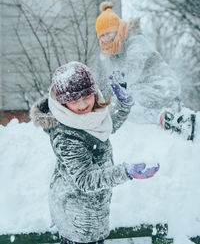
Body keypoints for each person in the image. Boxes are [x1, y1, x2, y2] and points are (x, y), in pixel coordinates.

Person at [30, 61, 159, 244]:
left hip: (92, 208)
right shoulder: (66, 134)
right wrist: (126, 172)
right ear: (62, 102)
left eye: (87, 96)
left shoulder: (84, 117)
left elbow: (106, 127)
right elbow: (85, 179)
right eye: (74, 100)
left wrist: (123, 104)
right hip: (78, 219)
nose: (83, 104)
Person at [93, 1, 196, 141]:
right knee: (121, 109)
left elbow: (132, 69)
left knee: (128, 107)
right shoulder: (112, 54)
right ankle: (167, 117)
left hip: (162, 85)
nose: (105, 39)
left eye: (108, 33)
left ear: (118, 29)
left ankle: (175, 121)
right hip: (143, 91)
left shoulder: (136, 41)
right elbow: (111, 82)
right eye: (102, 36)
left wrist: (120, 86)